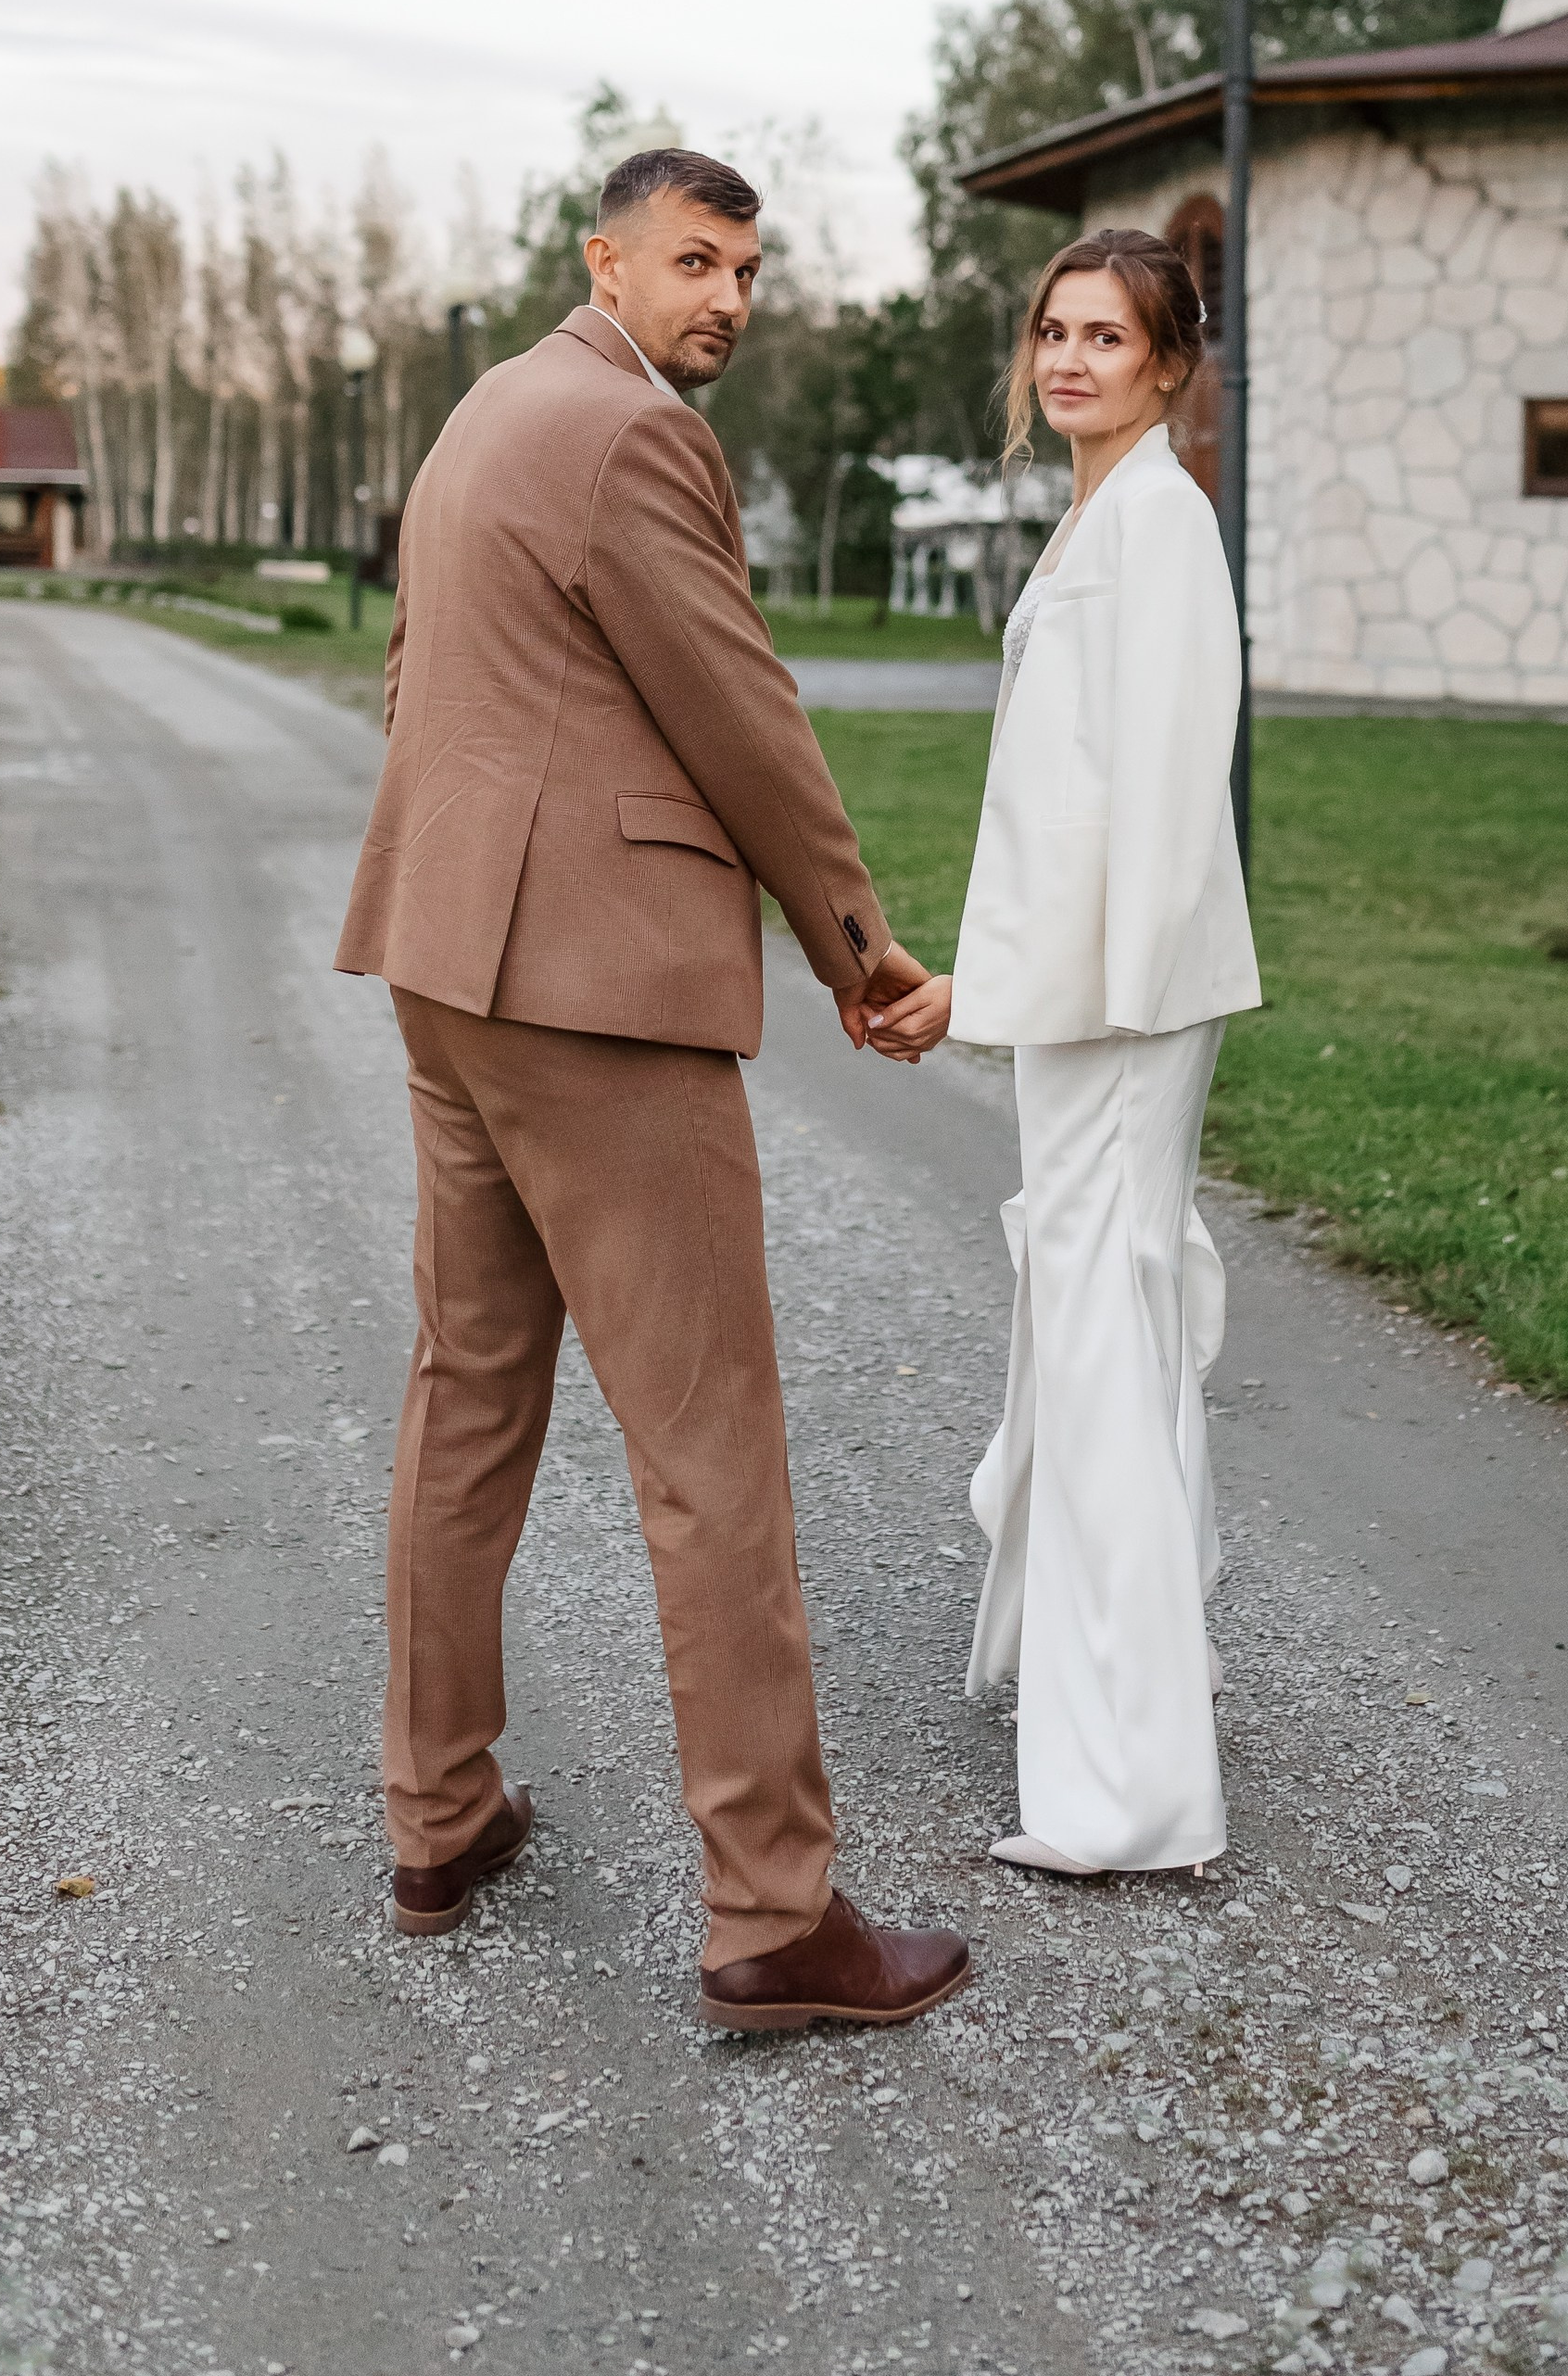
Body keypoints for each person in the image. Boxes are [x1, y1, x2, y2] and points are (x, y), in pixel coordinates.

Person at [335, 145, 969, 2032]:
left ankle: (437, 1817)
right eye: (695, 263)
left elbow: (411, 679)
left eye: (749, 274)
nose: (726, 303)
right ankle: (773, 1915)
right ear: (601, 258)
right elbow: (738, 707)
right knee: (711, 1449)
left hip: (449, 966)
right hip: (597, 1000)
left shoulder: (485, 413)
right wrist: (859, 946)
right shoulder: (624, 434)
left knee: (466, 1402)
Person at [864, 229, 1261, 1877]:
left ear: (1171, 366)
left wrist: (998, 992)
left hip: (1120, 1000)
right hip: (1087, 992)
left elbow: (1160, 821)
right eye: (1055, 331)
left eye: (1110, 336)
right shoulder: (1101, 513)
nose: (1073, 359)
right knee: (1095, 1318)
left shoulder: (1162, 523)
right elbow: (1064, 793)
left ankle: (1130, 1794)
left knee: (1101, 1332)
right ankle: (1086, 1673)